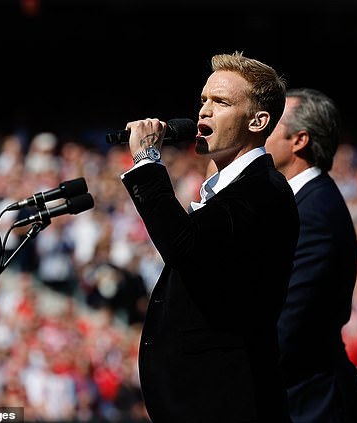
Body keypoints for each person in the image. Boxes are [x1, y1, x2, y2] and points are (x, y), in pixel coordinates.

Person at [120, 51, 299, 423]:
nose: (204, 110)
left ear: (258, 121)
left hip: (229, 402)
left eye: (221, 102)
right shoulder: (232, 191)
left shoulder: (263, 190)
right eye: (204, 99)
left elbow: (184, 246)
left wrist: (148, 160)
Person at [265, 88, 357, 423]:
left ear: (298, 140)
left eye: (271, 125)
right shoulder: (299, 203)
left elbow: (286, 327)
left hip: (310, 406)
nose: (259, 133)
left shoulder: (314, 213)